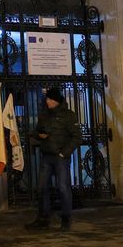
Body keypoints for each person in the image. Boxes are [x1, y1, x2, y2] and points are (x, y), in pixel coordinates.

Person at [27, 87, 83, 232]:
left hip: (60, 158)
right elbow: (37, 131)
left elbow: (77, 137)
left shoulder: (68, 116)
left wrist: (63, 153)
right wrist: (39, 135)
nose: (48, 101)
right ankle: (43, 218)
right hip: (46, 156)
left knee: (63, 188)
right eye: (47, 99)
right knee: (42, 187)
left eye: (51, 99)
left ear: (57, 100)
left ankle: (66, 218)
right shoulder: (44, 115)